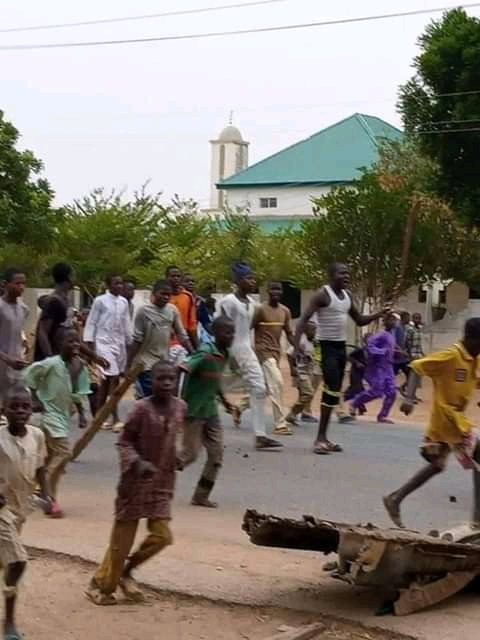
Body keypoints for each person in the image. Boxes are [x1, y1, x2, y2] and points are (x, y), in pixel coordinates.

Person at [86, 361, 185, 606]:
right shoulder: (141, 409)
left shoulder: (180, 407)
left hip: (162, 485)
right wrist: (137, 462)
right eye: (161, 379)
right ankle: (101, 585)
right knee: (121, 543)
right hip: (134, 485)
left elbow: (172, 439)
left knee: (162, 536)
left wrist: (176, 457)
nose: (166, 384)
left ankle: (127, 570)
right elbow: (124, 442)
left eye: (171, 379)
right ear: (151, 381)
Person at [383, 318, 480, 529]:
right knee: (479, 455)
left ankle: (395, 498)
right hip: (447, 419)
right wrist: (409, 398)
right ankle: (477, 521)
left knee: (437, 465)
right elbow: (417, 367)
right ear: (471, 339)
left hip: (455, 420)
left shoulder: (474, 358)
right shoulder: (451, 355)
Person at [293, 263, 387, 455]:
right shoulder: (322, 295)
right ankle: (319, 439)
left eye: (348, 274)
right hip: (325, 347)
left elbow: (359, 320)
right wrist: (295, 346)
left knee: (334, 391)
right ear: (331, 275)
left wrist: (378, 314)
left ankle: (324, 438)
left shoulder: (347, 296)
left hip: (340, 347)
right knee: (330, 388)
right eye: (342, 273)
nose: (346, 276)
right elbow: (303, 320)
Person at [0, 384, 49, 640]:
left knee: (5, 560)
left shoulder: (37, 435)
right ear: (4, 410)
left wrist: (47, 495)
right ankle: (9, 622)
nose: (20, 411)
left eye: (25, 406)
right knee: (17, 561)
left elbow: (41, 466)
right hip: (1, 510)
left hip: (20, 508)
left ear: (32, 410)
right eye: (14, 407)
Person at [24, 329, 91, 518]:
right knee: (64, 453)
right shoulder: (51, 364)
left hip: (62, 416)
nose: (75, 345)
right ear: (60, 344)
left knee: (50, 458)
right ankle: (46, 493)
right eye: (70, 342)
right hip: (48, 414)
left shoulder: (80, 366)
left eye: (77, 341)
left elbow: (79, 392)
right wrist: (35, 399)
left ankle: (45, 495)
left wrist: (82, 414)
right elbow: (29, 376)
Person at [217, 262, 282, 451]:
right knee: (211, 385)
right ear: (238, 281)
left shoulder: (253, 305)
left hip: (246, 349)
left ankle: (260, 435)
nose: (253, 281)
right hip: (230, 348)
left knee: (259, 387)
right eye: (249, 278)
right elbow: (219, 325)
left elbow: (250, 328)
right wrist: (223, 351)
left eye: (254, 278)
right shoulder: (228, 301)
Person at [178, 316, 235, 508]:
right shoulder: (205, 352)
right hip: (194, 410)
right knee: (189, 455)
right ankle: (158, 472)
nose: (231, 336)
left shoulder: (224, 354)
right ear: (214, 333)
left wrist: (224, 401)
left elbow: (214, 380)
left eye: (233, 332)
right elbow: (182, 367)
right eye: (227, 332)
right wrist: (175, 398)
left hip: (211, 411)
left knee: (216, 456)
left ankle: (201, 496)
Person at [128, 280, 193, 399]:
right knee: (151, 397)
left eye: (168, 295)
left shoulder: (172, 310)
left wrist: (194, 353)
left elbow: (182, 335)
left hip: (163, 362)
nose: (166, 297)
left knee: (166, 397)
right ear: (154, 293)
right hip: (145, 363)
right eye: (162, 294)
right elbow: (137, 339)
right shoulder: (143, 311)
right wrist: (128, 363)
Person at [83, 275, 132, 431]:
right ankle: (115, 417)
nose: (119, 286)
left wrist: (129, 342)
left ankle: (98, 416)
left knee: (106, 381)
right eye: (116, 283)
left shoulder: (123, 302)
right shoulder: (100, 301)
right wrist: (90, 347)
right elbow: (91, 322)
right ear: (108, 285)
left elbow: (126, 323)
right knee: (113, 377)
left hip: (118, 344)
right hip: (103, 343)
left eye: (121, 283)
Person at [252, 282, 295, 436]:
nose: (276, 292)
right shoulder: (260, 309)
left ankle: (239, 407)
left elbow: (289, 333)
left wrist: (297, 347)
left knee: (264, 386)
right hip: (263, 351)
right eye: (273, 289)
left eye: (279, 289)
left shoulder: (285, 311)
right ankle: (280, 424)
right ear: (268, 291)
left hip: (276, 352)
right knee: (277, 382)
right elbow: (248, 327)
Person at [349, 314, 397, 423]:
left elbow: (391, 348)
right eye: (390, 319)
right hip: (377, 367)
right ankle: (354, 403)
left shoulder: (392, 335)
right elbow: (369, 346)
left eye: (394, 320)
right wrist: (382, 352)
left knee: (392, 392)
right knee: (377, 391)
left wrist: (397, 353)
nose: (393, 322)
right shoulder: (380, 335)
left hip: (388, 367)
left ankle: (382, 416)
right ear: (384, 322)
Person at [0, 269, 29, 416]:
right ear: (5, 284)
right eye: (17, 283)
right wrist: (7, 358)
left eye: (23, 283)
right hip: (3, 362)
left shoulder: (24, 309)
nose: (21, 287)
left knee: (14, 405)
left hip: (16, 367)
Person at [34, 262, 74, 361]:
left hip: (62, 358)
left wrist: (93, 356)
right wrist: (50, 359)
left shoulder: (66, 301)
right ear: (69, 277)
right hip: (52, 359)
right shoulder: (53, 301)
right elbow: (42, 332)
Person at [286, 320, 318, 425]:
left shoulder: (313, 342)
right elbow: (289, 353)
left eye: (315, 330)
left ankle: (293, 416)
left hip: (309, 372)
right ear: (305, 331)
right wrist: (292, 369)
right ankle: (292, 413)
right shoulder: (301, 342)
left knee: (303, 395)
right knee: (308, 393)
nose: (314, 332)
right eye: (311, 330)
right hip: (300, 373)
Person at [166, 266, 198, 363]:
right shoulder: (162, 296)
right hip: (164, 344)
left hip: (182, 344)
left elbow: (192, 325)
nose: (176, 278)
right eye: (173, 276)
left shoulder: (187, 296)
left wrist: (197, 348)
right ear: (166, 277)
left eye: (178, 276)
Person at [343, 336, 369, 415]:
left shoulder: (372, 351)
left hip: (362, 372)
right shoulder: (360, 350)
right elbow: (349, 356)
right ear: (365, 341)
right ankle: (358, 407)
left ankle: (339, 400)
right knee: (357, 389)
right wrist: (357, 363)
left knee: (356, 390)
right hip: (355, 372)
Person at [394, 311, 411, 386]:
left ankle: (403, 387)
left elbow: (405, 340)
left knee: (409, 373)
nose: (409, 319)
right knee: (391, 374)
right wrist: (399, 351)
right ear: (404, 318)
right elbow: (393, 341)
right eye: (408, 318)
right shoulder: (397, 327)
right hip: (396, 356)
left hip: (403, 357)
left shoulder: (405, 327)